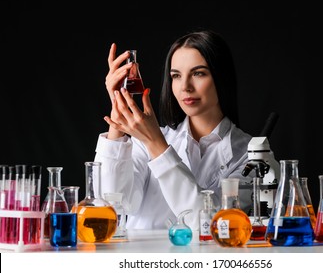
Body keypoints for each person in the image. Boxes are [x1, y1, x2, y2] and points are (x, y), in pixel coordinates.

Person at [94, 29, 252, 230]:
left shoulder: (251, 156)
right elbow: (113, 203)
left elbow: (213, 224)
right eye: (176, 76)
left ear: (222, 77)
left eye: (198, 73)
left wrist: (156, 144)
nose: (185, 86)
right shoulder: (145, 141)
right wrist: (117, 119)